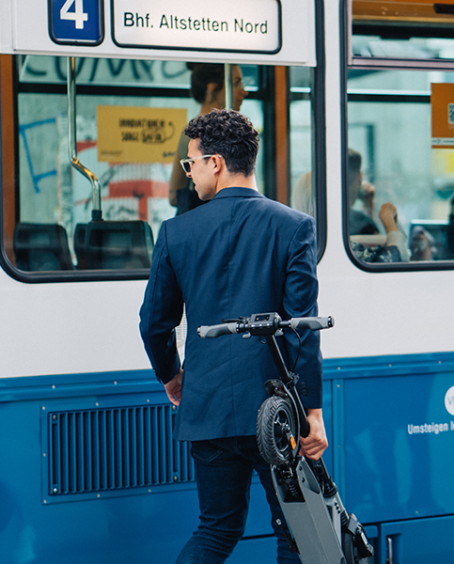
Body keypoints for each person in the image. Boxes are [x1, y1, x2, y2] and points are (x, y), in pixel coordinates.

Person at [139, 109, 327, 564]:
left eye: (191, 163)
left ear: (216, 163)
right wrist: (313, 412)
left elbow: (153, 322)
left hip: (207, 409)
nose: (189, 174)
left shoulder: (177, 232)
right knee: (299, 534)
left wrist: (173, 376)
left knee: (216, 529)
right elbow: (302, 329)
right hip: (276, 412)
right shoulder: (293, 226)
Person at [168, 64, 248, 215]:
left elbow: (174, 195)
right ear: (212, 88)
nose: (244, 91)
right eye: (236, 84)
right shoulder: (219, 134)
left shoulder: (188, 132)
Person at [347, 148, 408, 261]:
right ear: (359, 176)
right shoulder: (363, 223)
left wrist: (369, 205)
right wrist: (389, 221)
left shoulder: (319, 219)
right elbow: (397, 260)